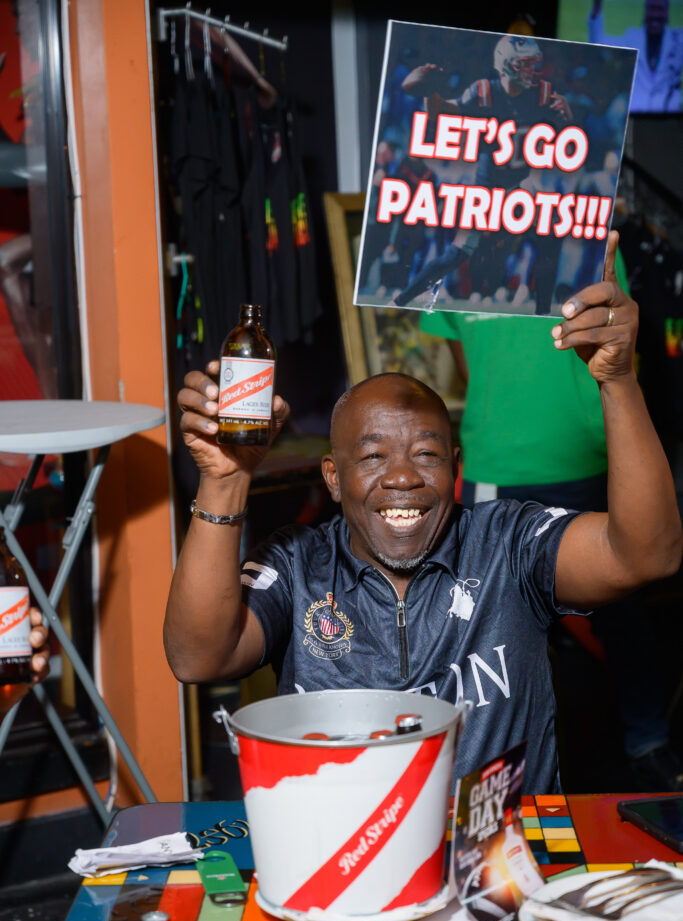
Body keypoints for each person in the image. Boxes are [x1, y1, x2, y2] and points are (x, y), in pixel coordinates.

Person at [164, 233, 683, 794]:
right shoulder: (298, 565)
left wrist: (618, 381)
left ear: (455, 467)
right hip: (348, 841)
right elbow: (198, 658)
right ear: (333, 478)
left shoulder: (506, 544)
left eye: (426, 455)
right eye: (372, 457)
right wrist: (225, 481)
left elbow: (648, 555)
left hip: (504, 843)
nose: (402, 477)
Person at [420, 254, 683, 790]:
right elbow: (464, 359)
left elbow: (615, 328)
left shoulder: (584, 235)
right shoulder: (449, 246)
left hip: (582, 453)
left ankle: (648, 740)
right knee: (482, 621)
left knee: (621, 608)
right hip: (495, 461)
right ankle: (492, 765)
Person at [392, 35, 572, 312]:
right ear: (507, 64)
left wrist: (567, 116)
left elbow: (568, 135)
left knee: (551, 234)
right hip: (486, 190)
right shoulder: (484, 92)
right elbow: (441, 113)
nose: (532, 70)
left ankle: (543, 313)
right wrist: (430, 92)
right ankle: (401, 300)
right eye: (524, 64)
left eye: (533, 64)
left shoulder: (542, 94)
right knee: (455, 255)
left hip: (520, 186)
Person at [588, 0, 683, 113]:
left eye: (660, 9)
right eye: (652, 9)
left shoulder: (677, 41)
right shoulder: (632, 39)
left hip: (668, 115)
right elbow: (598, 42)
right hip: (636, 114)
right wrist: (597, 7)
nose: (655, 14)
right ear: (646, 12)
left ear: (667, 13)